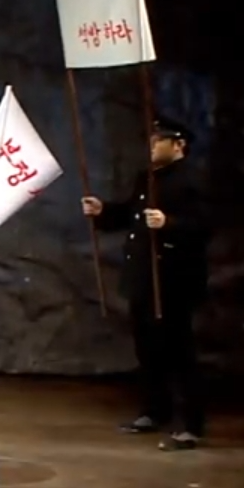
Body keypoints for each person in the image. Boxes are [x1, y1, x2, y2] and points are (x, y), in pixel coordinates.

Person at [81, 116, 211, 449]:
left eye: (158, 140)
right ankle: (155, 410)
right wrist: (102, 211)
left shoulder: (191, 180)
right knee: (148, 349)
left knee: (179, 351)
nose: (151, 146)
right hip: (143, 277)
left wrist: (170, 223)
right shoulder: (147, 178)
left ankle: (191, 424)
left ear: (178, 145)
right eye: (151, 140)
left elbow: (204, 225)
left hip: (173, 280)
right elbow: (130, 215)